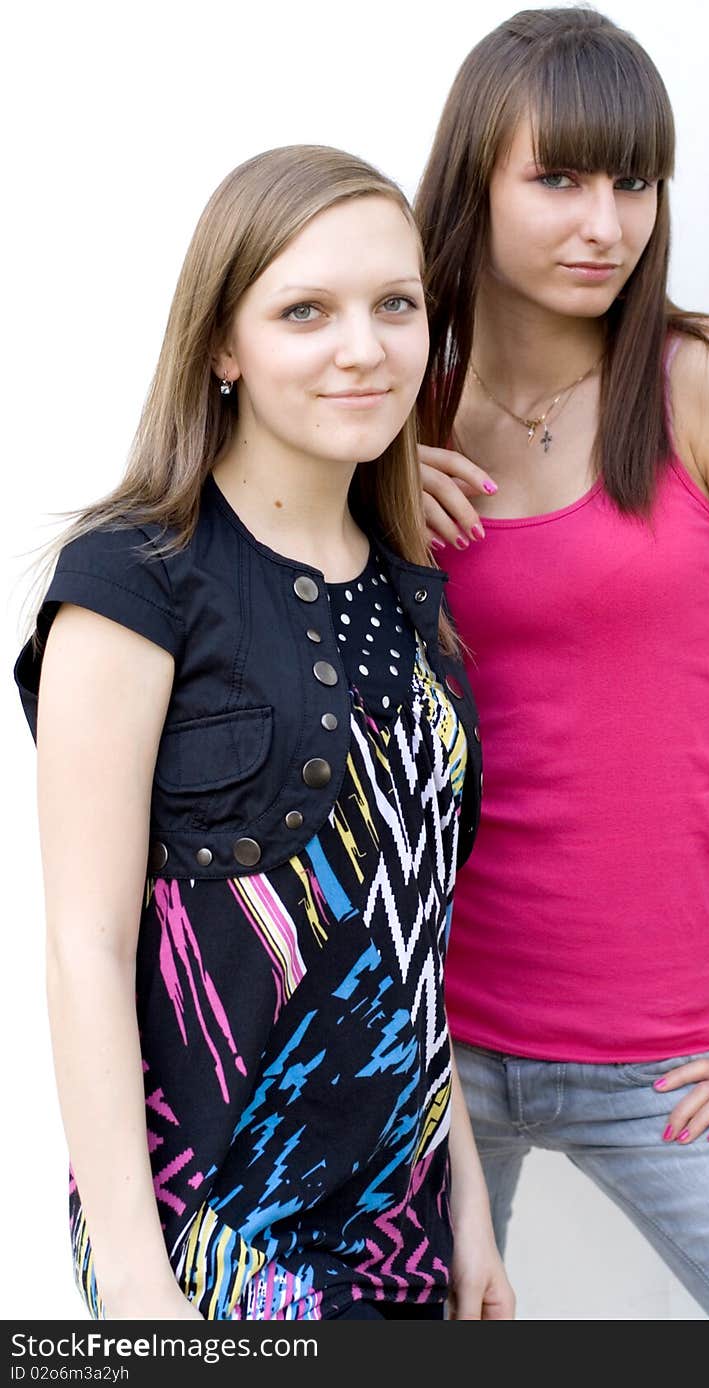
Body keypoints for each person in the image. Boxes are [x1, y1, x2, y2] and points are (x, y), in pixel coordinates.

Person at [413, 6, 709, 1319]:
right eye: (556, 176)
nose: (604, 221)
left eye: (632, 179)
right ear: (475, 185)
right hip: (428, 1051)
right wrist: (378, 476)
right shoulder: (400, 405)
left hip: (672, 1054)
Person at [14, 145, 513, 1322]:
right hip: (216, 1238)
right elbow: (82, 950)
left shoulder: (411, 597)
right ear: (224, 348)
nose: (364, 346)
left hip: (402, 1229)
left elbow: (412, 931)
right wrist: (138, 1284)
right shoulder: (132, 581)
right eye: (306, 311)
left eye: (395, 305)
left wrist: (467, 1203)